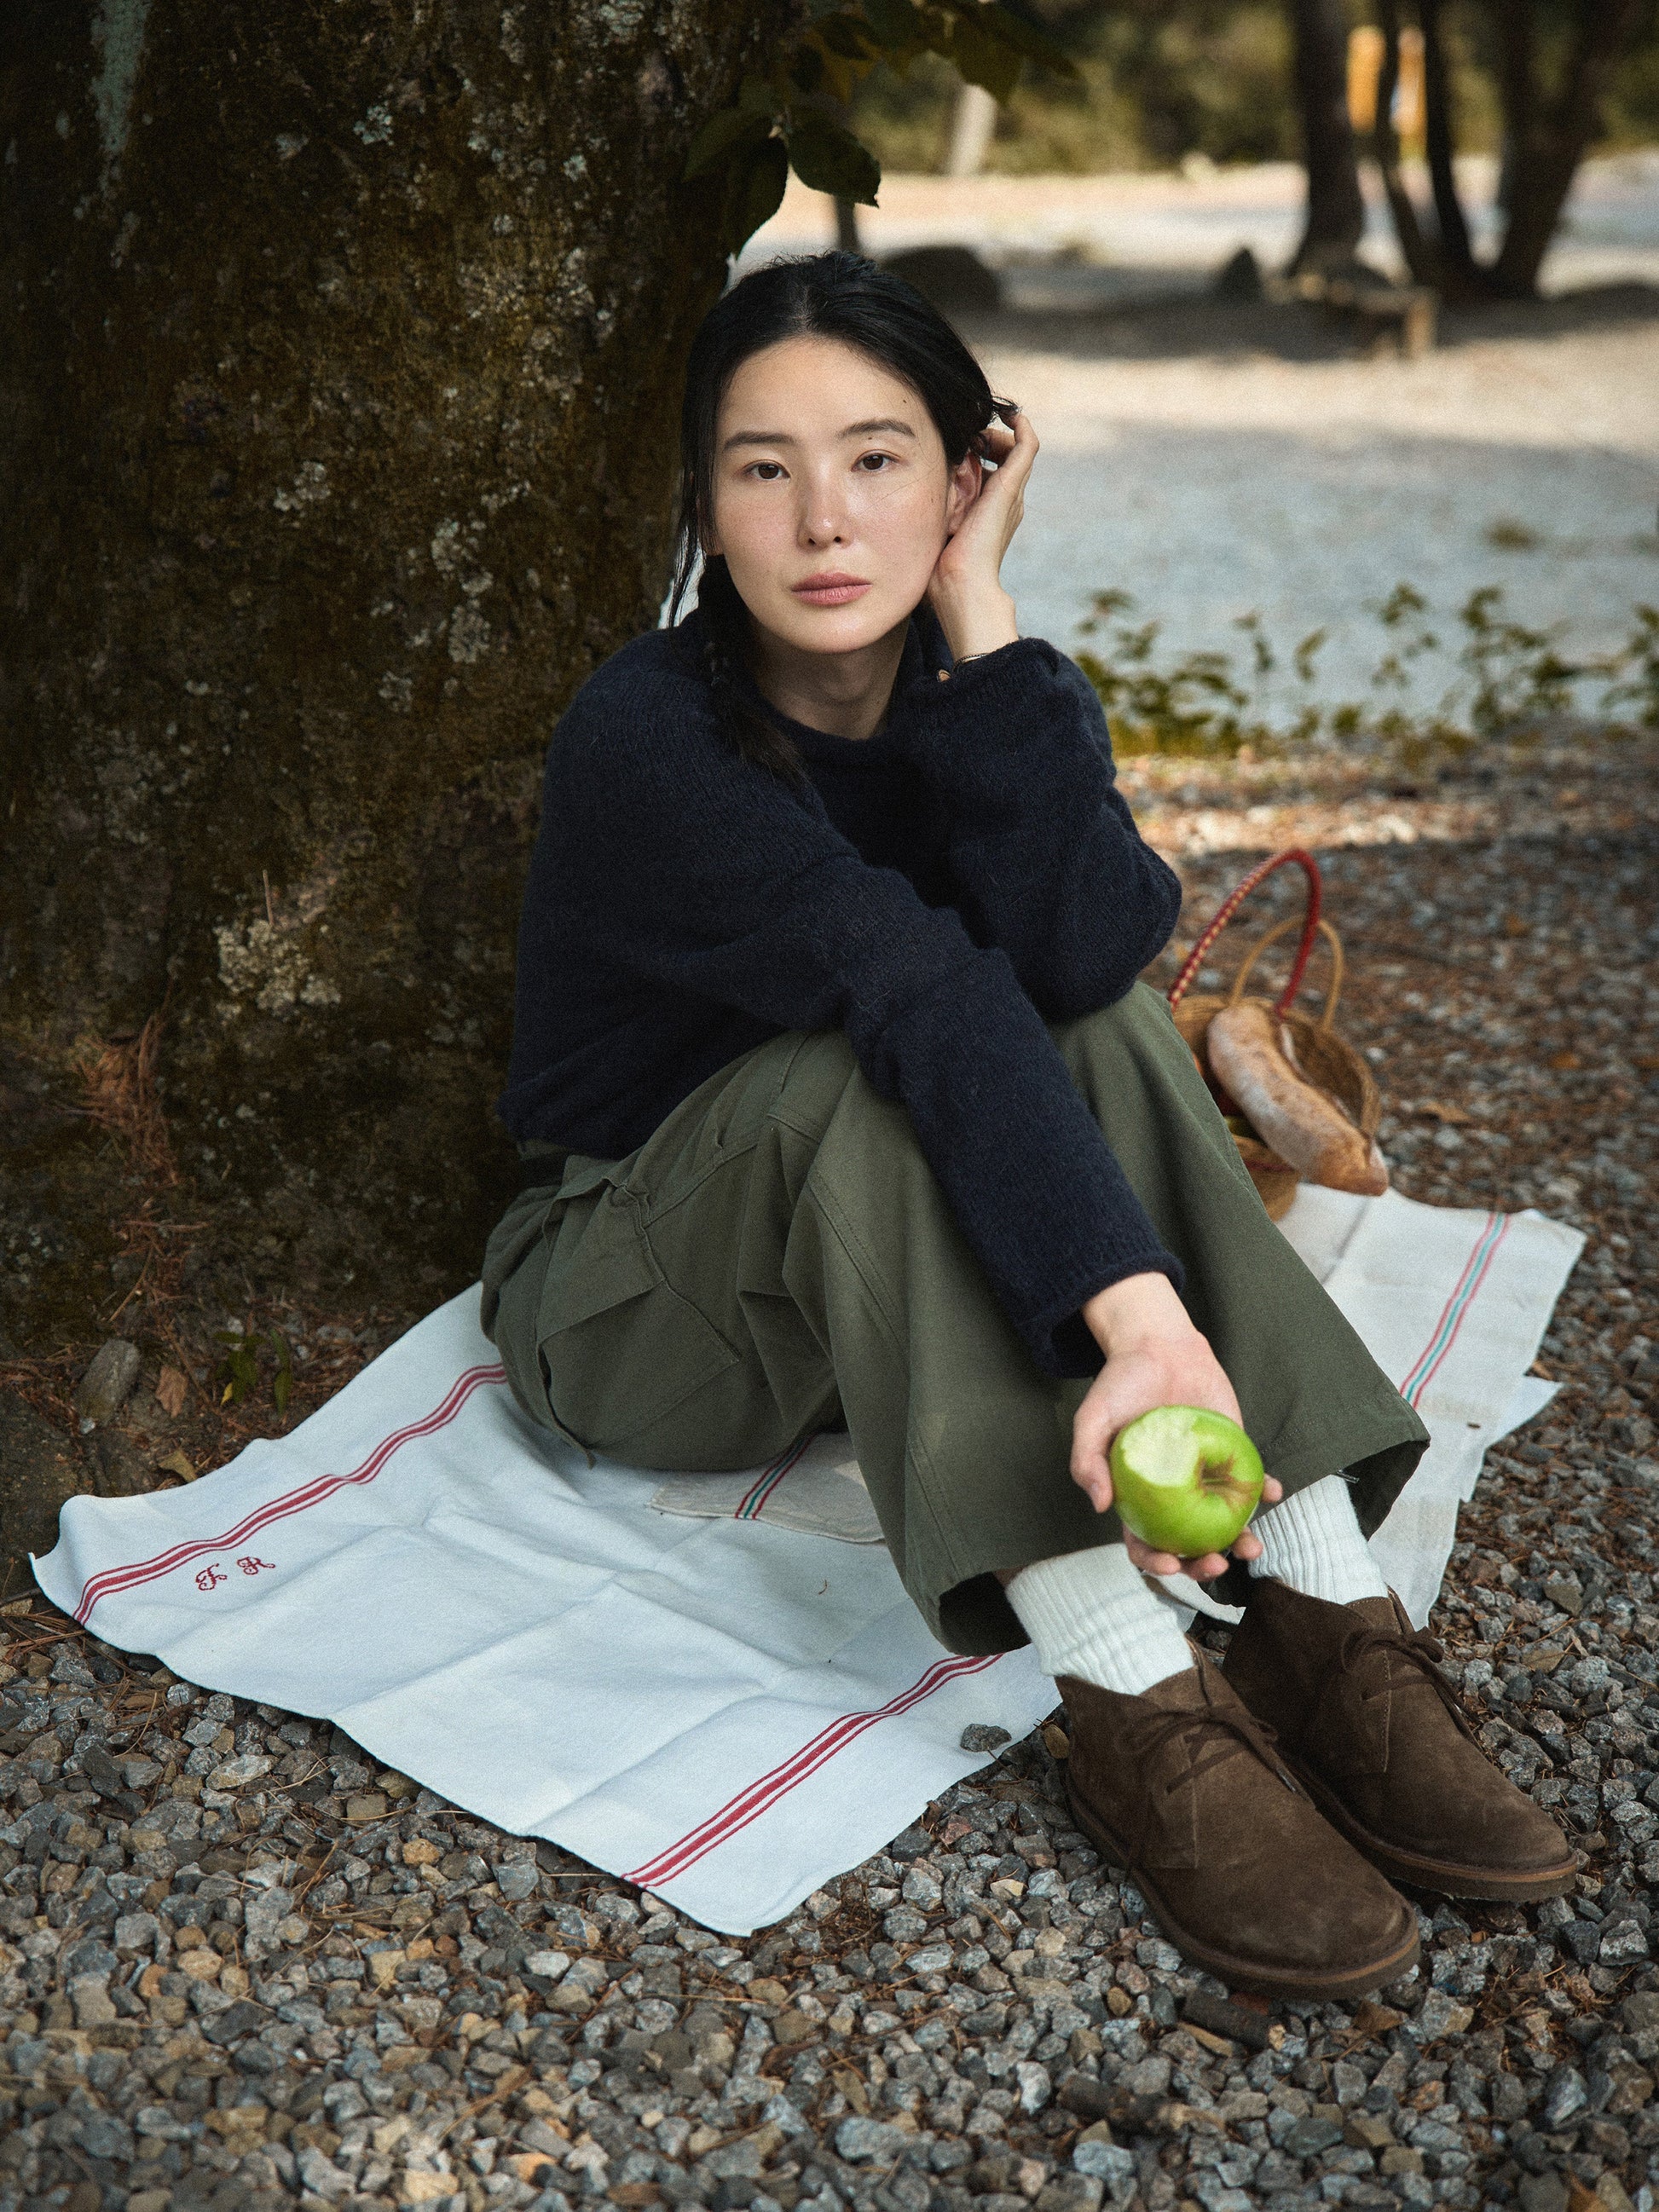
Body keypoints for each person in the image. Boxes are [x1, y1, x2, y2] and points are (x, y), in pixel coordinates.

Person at [482, 251, 1571, 1999]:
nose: (823, 519)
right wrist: (1140, 1322)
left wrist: (982, 620)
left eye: (878, 459)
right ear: (703, 502)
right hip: (636, 1305)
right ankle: (1131, 1689)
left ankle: (1316, 1605)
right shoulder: (648, 735)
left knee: (1092, 1009)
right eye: (763, 467)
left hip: (874, 1298)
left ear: (963, 476)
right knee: (862, 1060)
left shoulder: (973, 686)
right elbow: (908, 987)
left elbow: (1081, 952)